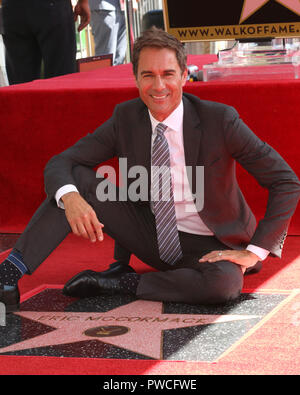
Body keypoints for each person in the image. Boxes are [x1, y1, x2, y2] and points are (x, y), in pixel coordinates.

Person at [1, 27, 300, 313]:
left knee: (223, 286)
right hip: (151, 235)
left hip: (214, 245)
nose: (158, 86)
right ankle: (8, 276)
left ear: (185, 76)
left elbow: (286, 182)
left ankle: (123, 283)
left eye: (168, 74)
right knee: (74, 183)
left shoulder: (220, 121)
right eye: (148, 75)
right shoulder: (125, 118)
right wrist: (71, 199)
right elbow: (61, 162)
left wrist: (255, 251)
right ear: (135, 79)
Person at [1, 0, 90, 85]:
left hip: (13, 8)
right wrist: (83, 2)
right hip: (52, 7)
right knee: (61, 80)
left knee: (21, 84)